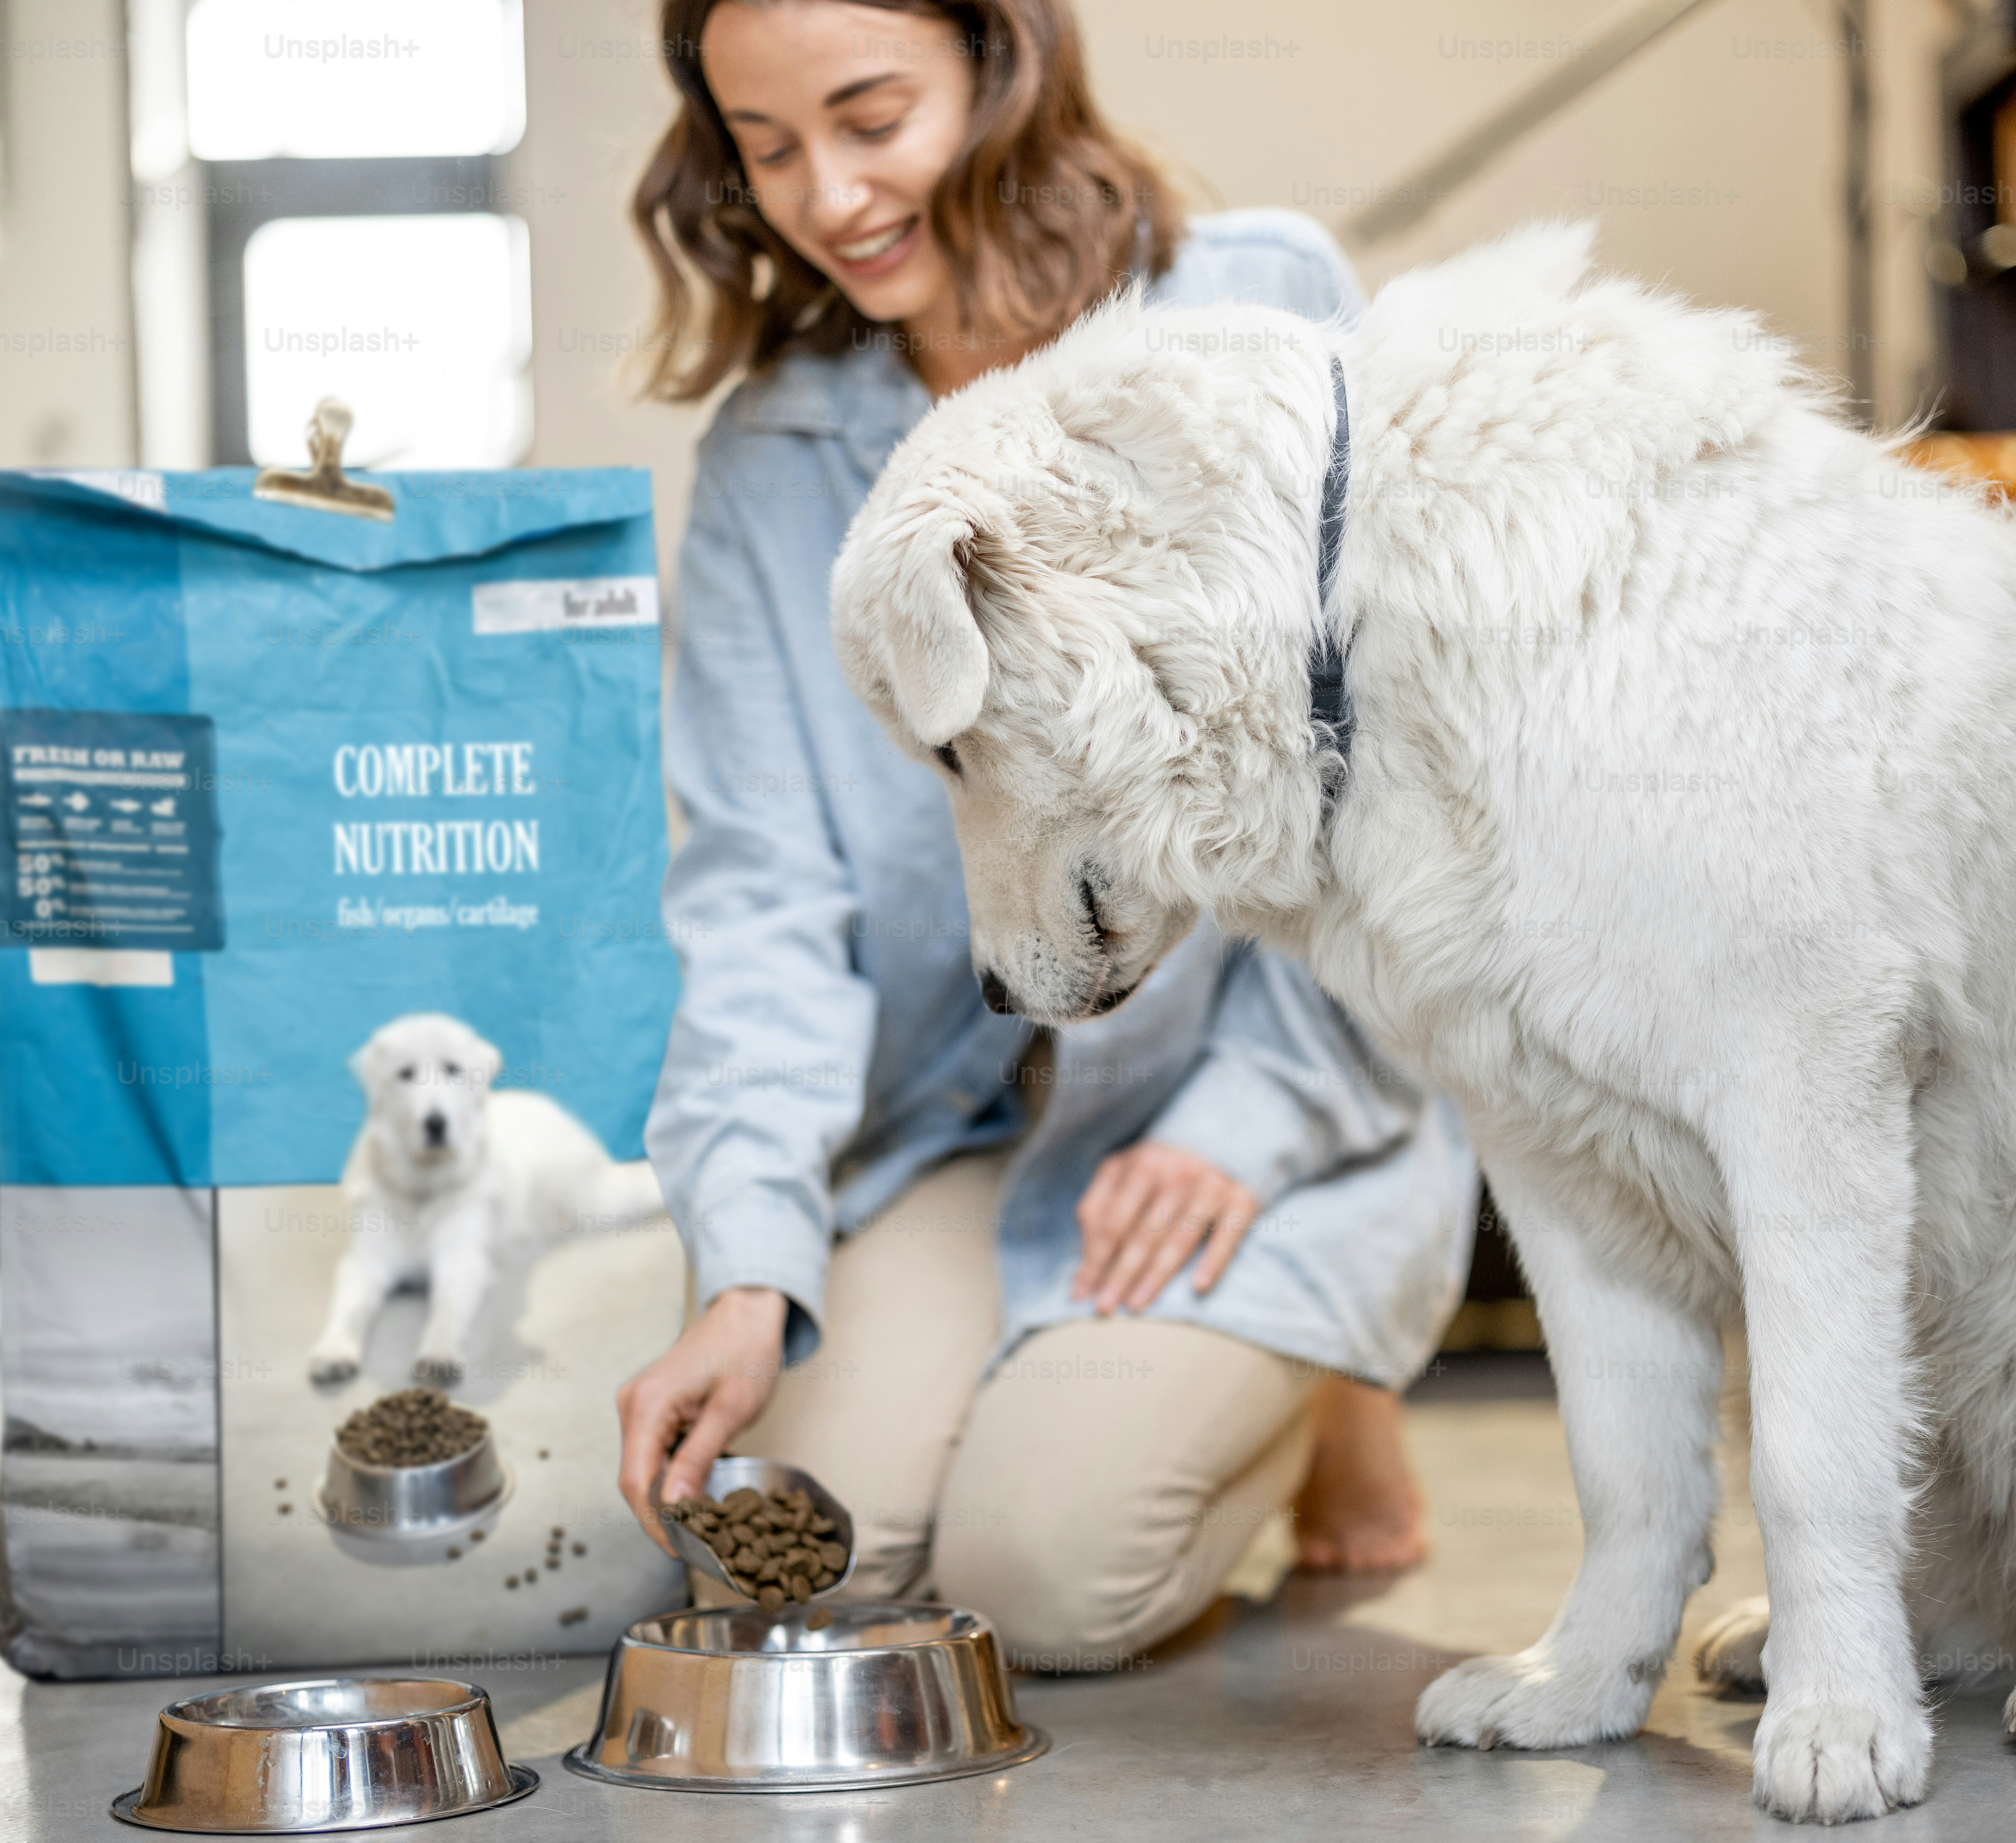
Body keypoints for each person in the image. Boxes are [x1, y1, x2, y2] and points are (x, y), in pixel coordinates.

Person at [612, 0, 1477, 1668]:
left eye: (872, 118)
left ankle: (1330, 1385)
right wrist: (745, 1262)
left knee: (1048, 1581)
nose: (827, 196)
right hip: (957, 1117)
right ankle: (1152, 1373)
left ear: (998, 71)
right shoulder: (771, 455)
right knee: (792, 1568)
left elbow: (1395, 787)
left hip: (1244, 1083)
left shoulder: (1264, 304)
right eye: (766, 144)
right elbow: (759, 899)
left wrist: (1249, 1125)